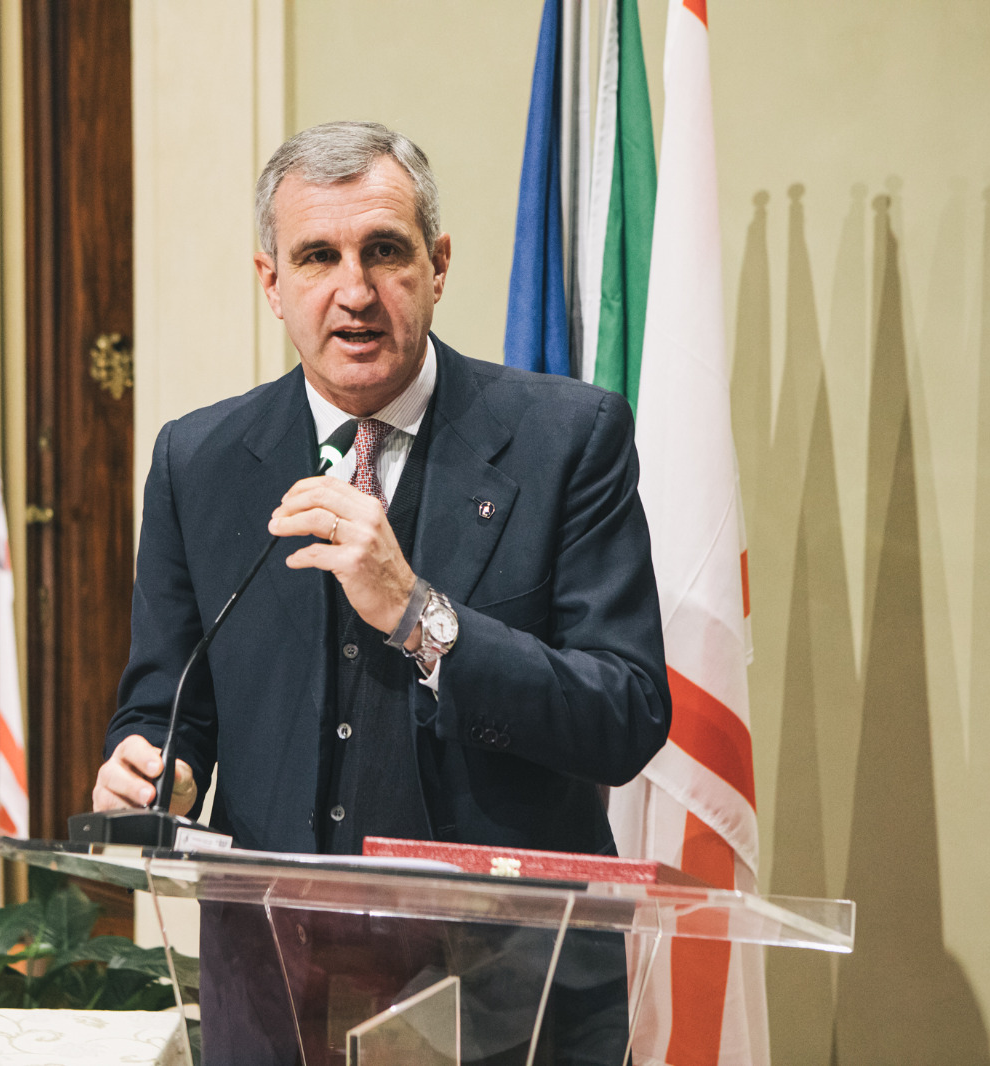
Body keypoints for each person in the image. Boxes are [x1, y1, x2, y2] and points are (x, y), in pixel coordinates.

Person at [95, 121, 671, 1064]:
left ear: (437, 266)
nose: (355, 291)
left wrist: (419, 614)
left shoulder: (567, 441)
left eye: (386, 252)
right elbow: (167, 706)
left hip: (508, 1001)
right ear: (271, 282)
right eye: (317, 257)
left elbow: (626, 714)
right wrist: (154, 764)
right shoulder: (198, 462)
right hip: (277, 997)